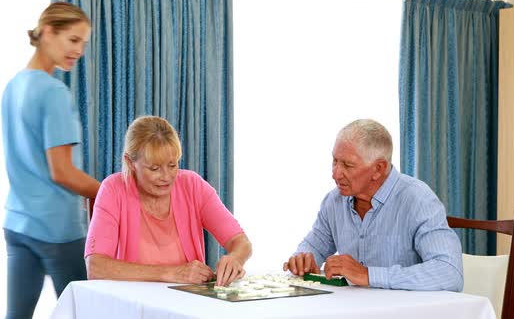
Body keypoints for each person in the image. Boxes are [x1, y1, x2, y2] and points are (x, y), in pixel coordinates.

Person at [1, 2, 101, 319]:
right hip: (57, 229)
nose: (79, 51)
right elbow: (62, 172)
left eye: (83, 43)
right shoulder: (54, 92)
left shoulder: (13, 86)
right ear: (47, 32)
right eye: (73, 40)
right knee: (86, 313)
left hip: (18, 224)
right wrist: (108, 191)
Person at [283, 119, 463, 291]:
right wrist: (302, 259)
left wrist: (368, 275)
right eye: (335, 161)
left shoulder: (418, 200)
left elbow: (449, 273)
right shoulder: (334, 200)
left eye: (347, 165)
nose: (336, 174)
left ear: (379, 169)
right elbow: (313, 247)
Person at [85, 116, 252, 286]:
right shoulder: (113, 190)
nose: (166, 177)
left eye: (172, 165)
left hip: (186, 303)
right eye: (154, 168)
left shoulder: (193, 186)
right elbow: (96, 267)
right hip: (134, 304)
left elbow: (240, 242)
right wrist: (171, 272)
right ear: (130, 162)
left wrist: (234, 258)